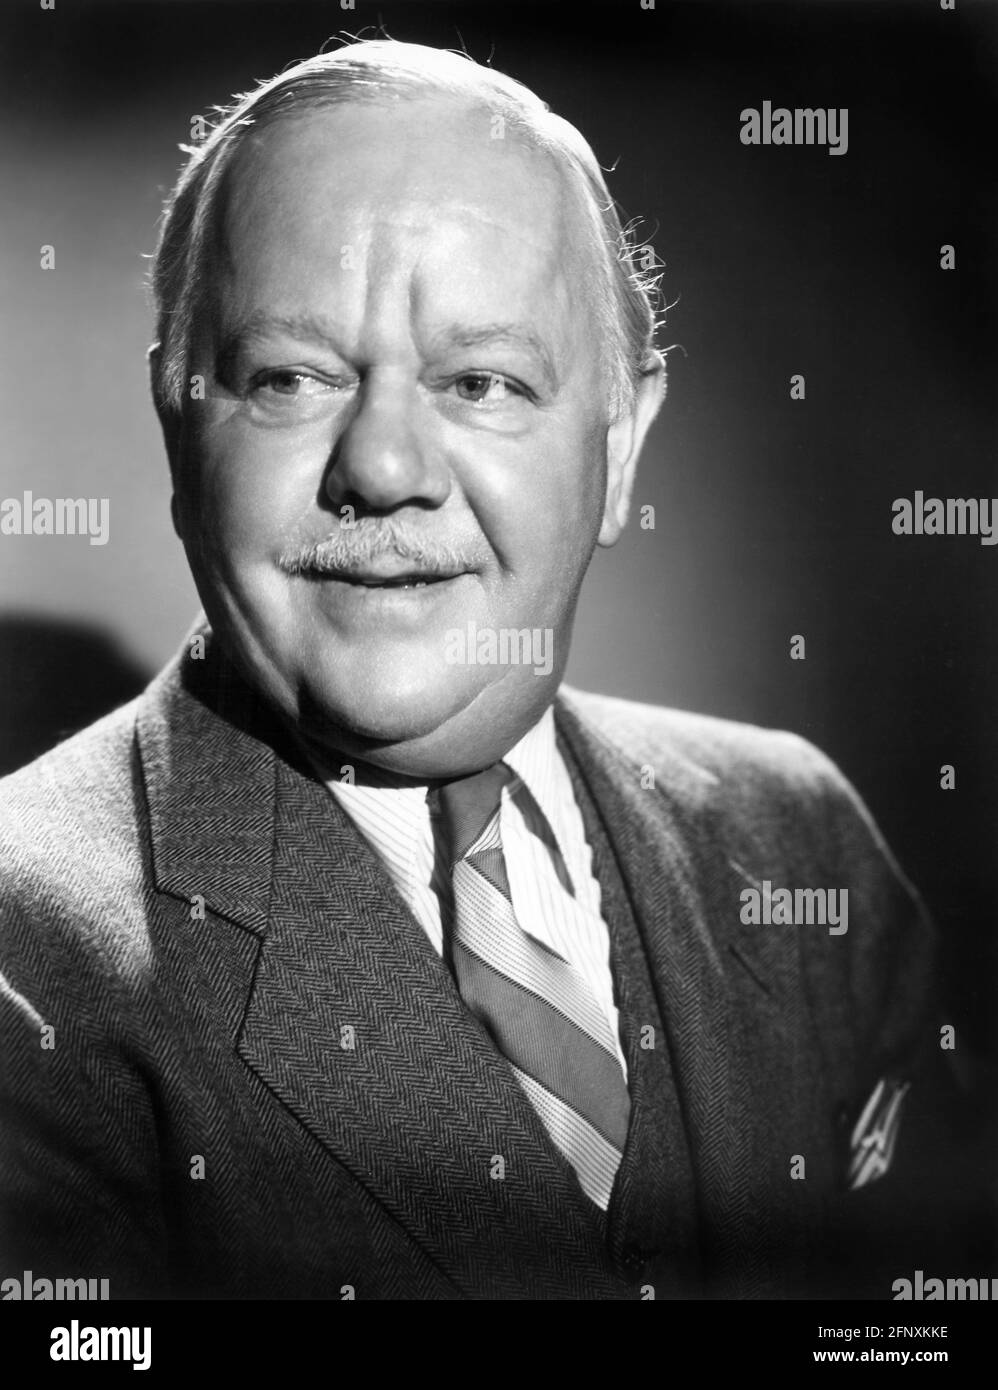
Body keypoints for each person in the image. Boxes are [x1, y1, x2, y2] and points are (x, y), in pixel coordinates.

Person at [0, 39, 939, 1301]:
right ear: (180, 419)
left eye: (482, 381)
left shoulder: (795, 839)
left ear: (620, 442)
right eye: (289, 378)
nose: (384, 466)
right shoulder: (28, 949)